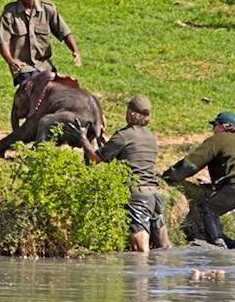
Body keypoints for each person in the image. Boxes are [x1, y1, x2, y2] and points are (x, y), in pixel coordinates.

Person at [67, 95, 171, 253]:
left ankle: (142, 277)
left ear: (130, 113)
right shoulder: (150, 136)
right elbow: (125, 152)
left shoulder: (124, 135)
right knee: (164, 247)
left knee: (140, 251)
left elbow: (96, 159)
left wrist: (82, 138)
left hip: (138, 196)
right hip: (155, 194)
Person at [162, 111, 235, 249]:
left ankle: (218, 244)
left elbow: (192, 164)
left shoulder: (218, 139)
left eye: (215, 125)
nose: (213, 129)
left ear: (223, 126)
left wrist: (170, 175)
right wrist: (214, 184)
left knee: (208, 208)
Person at [0, 0, 81, 86]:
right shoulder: (10, 13)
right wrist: (11, 61)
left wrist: (75, 51)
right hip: (23, 67)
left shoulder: (47, 9)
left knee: (59, 89)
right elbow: (2, 41)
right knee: (33, 90)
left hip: (44, 65)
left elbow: (65, 32)